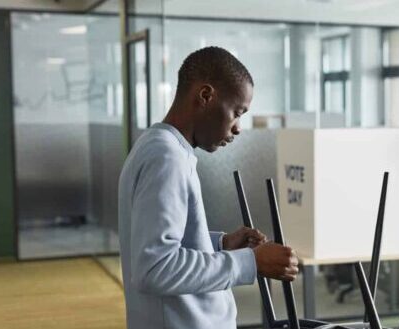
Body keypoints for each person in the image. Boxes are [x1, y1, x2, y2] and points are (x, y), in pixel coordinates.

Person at [118, 46, 299, 329]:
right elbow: (154, 267)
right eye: (237, 112)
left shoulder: (161, 147)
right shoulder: (166, 157)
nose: (238, 128)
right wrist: (250, 262)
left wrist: (219, 244)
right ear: (205, 96)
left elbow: (157, 241)